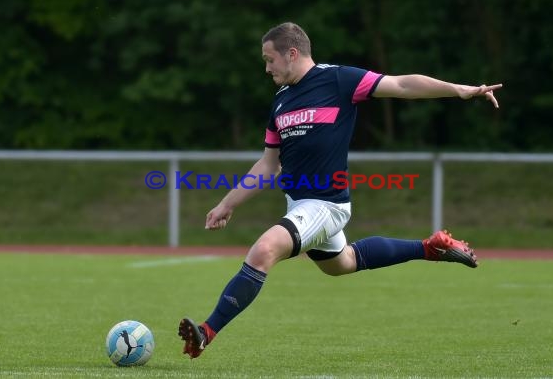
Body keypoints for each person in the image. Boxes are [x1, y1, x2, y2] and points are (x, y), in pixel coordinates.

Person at [178, 22, 502, 359]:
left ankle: (206, 332)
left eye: (269, 59)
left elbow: (402, 84)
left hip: (326, 205)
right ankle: (429, 248)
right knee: (342, 263)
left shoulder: (339, 79)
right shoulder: (280, 102)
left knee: (264, 250)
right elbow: (268, 165)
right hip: (300, 207)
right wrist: (226, 204)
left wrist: (459, 90)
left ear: (291, 54)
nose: (266, 68)